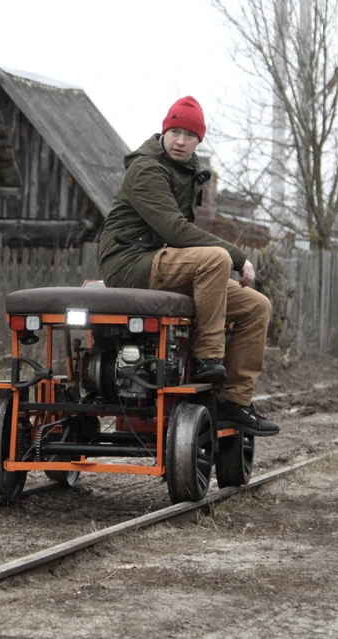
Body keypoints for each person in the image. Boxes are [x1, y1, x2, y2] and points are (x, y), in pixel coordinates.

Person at [98, 96, 279, 437]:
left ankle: (234, 403)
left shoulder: (188, 171)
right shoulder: (146, 169)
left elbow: (181, 236)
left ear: (199, 140)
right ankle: (209, 359)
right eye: (175, 132)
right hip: (128, 262)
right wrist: (238, 256)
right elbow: (175, 230)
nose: (181, 141)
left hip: (160, 261)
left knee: (257, 306)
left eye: (190, 135)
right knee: (216, 259)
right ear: (164, 131)